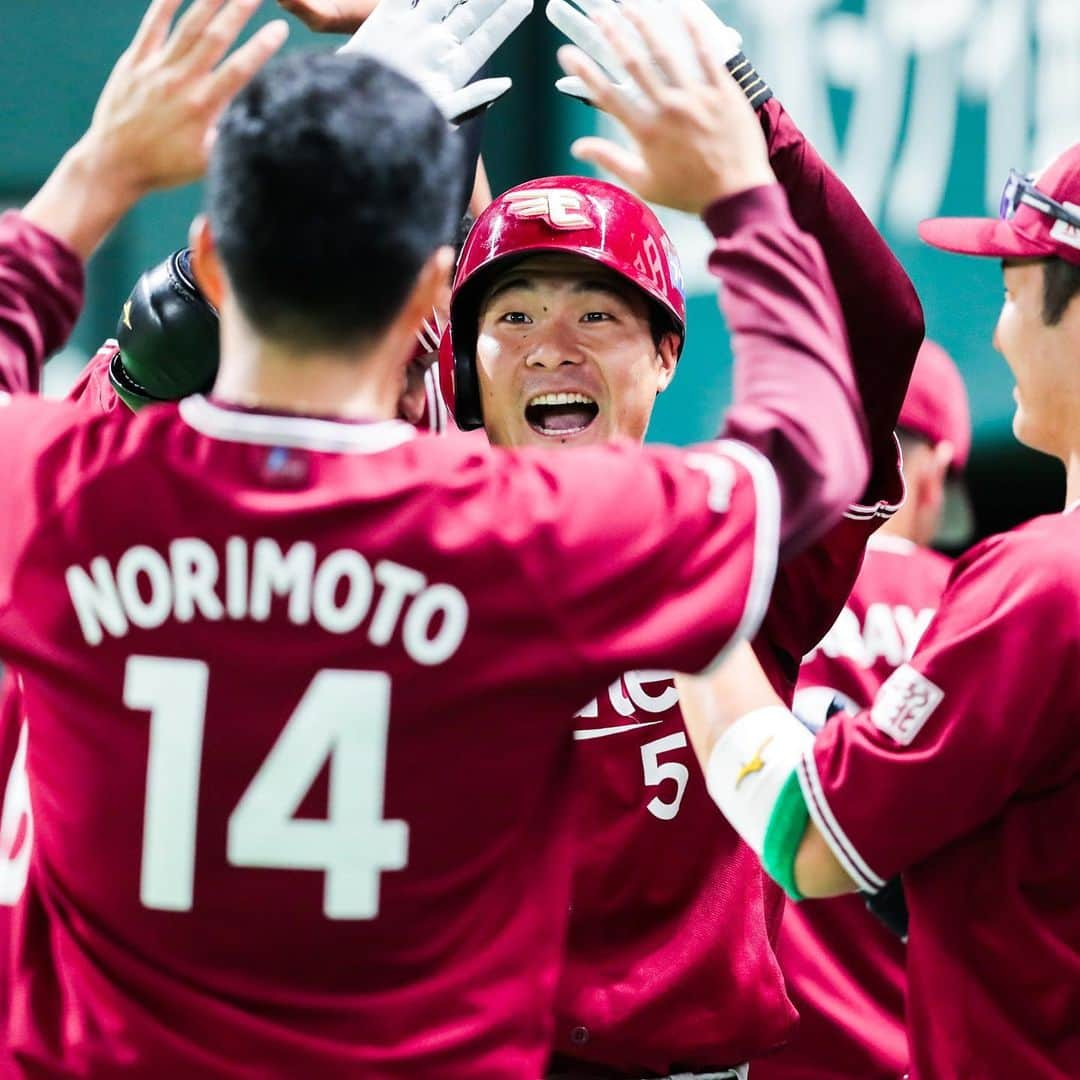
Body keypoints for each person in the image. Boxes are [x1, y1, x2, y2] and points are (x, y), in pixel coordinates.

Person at [0, 1, 871, 1075]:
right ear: (431, 296)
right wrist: (743, 196)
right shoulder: (512, 541)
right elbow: (806, 449)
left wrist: (93, 179)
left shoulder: (66, 499)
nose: (553, 345)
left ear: (212, 267)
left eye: (595, 314)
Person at [435, 0, 923, 1074]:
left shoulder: (733, 535)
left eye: (596, 315)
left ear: (666, 354)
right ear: (466, 367)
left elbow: (878, 337)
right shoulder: (412, 537)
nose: (552, 349)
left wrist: (756, 128)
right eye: (512, 318)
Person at [679, 146, 1080, 1080]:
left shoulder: (1043, 584)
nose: (1001, 334)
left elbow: (801, 835)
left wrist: (690, 598)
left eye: (1016, 290)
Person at [754, 340, 972, 1080]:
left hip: (768, 1052)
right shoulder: (982, 604)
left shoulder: (747, 596)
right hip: (931, 1050)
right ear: (935, 470)